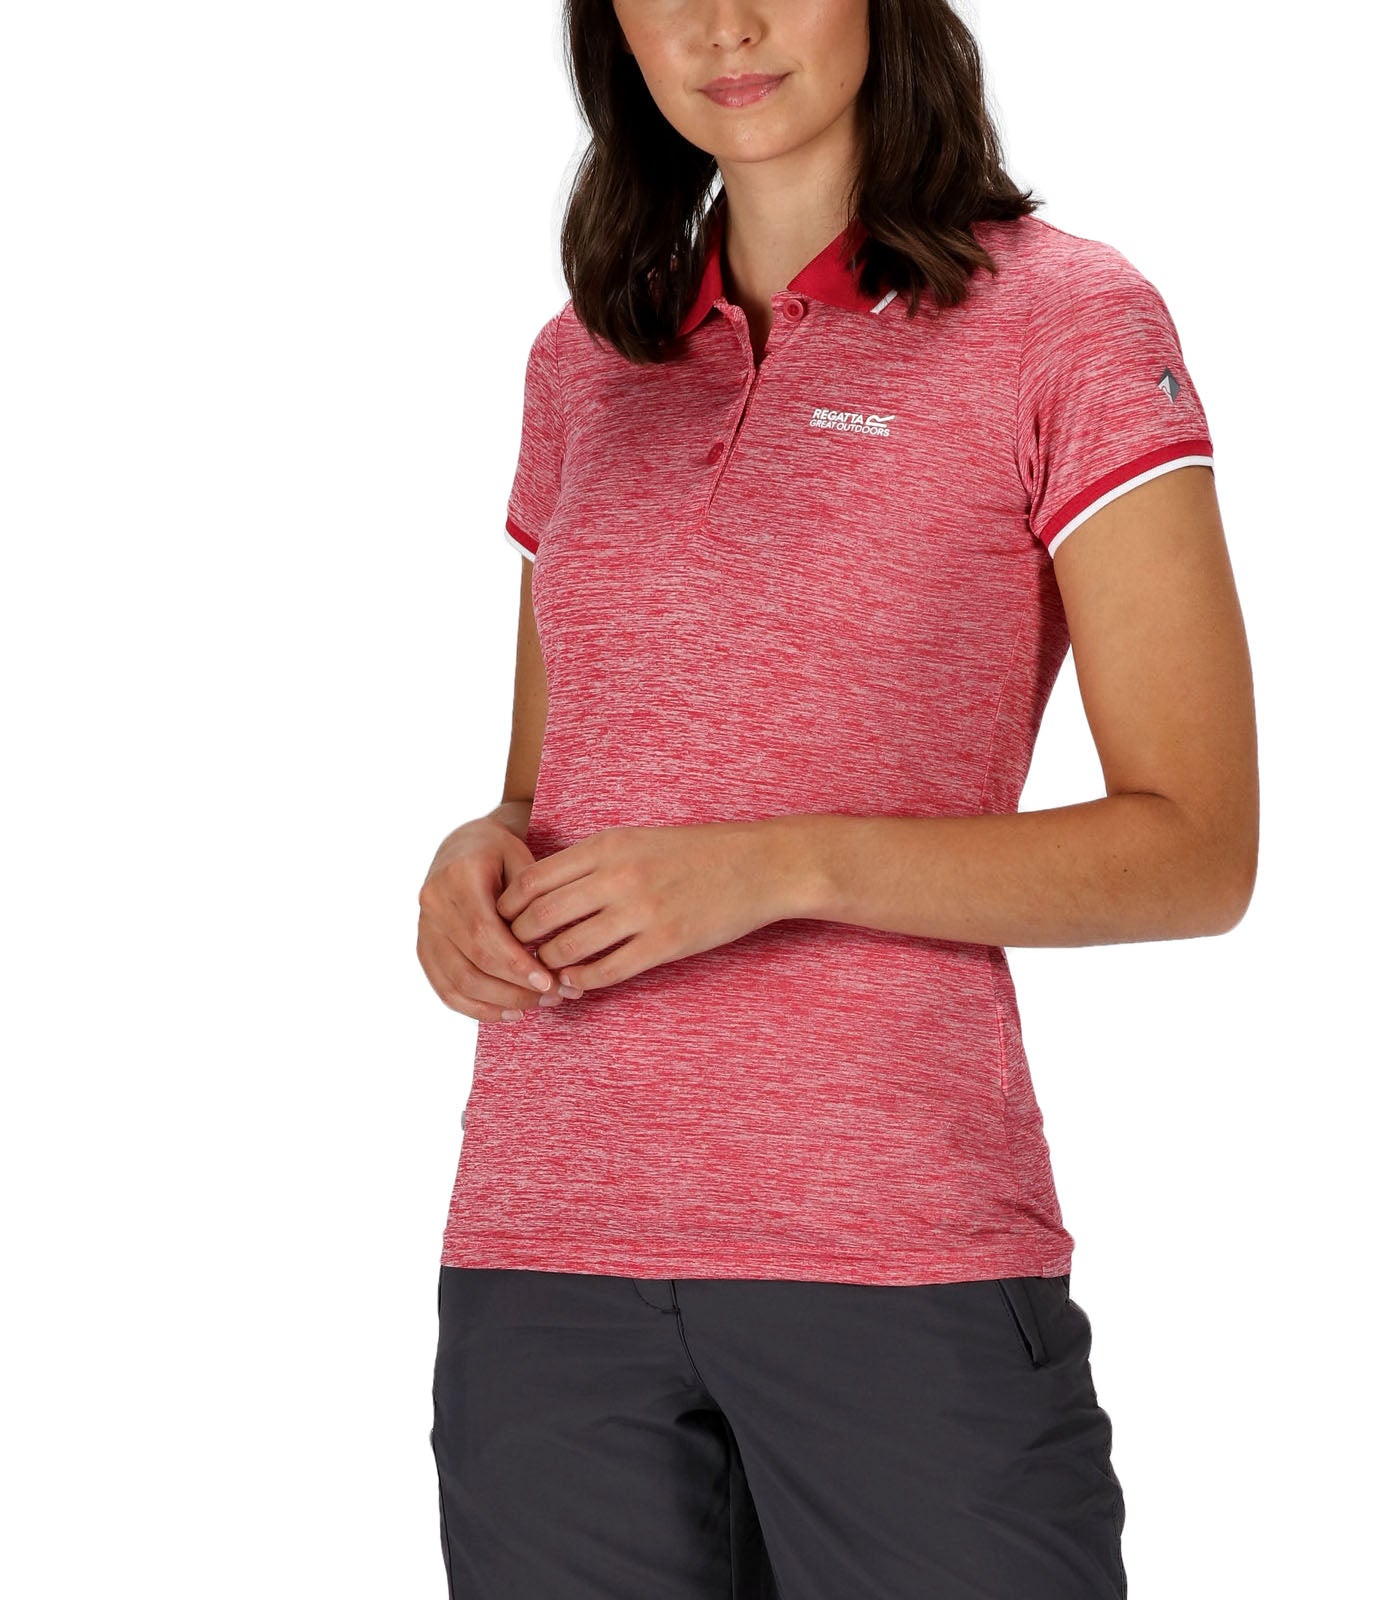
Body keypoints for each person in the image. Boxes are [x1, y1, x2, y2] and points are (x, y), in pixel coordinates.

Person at [415, 1, 1258, 1595]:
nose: (722, 25)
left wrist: (779, 868)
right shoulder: (582, 361)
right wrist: (478, 860)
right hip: (543, 1253)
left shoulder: (1065, 322)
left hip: (890, 1251)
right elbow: (549, 785)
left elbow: (1196, 847)